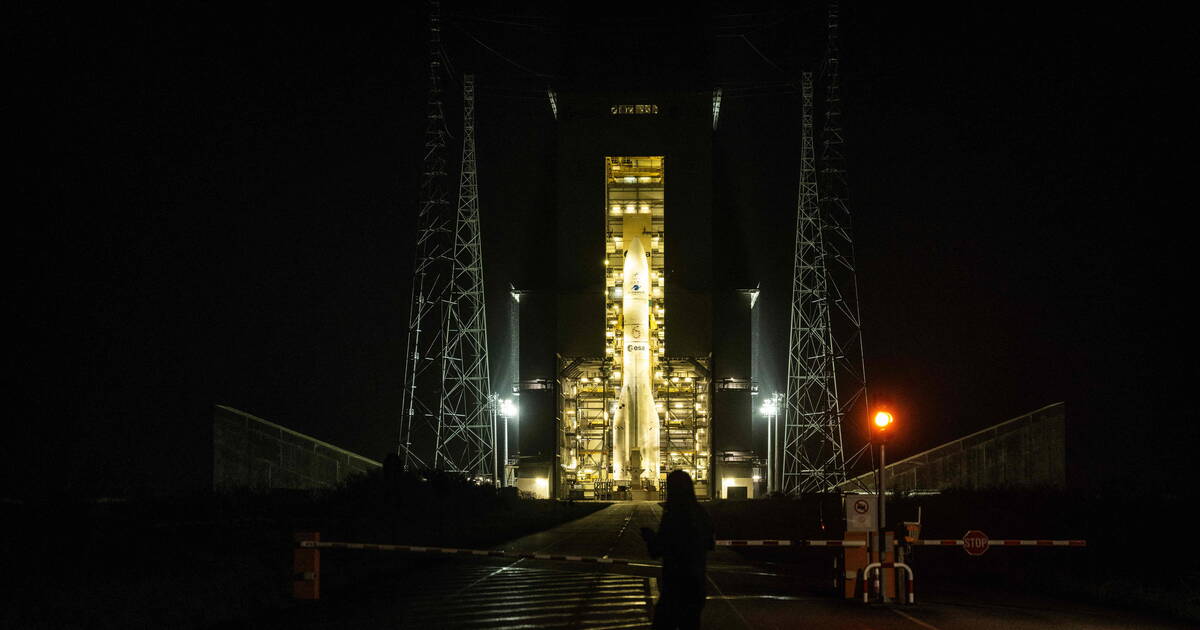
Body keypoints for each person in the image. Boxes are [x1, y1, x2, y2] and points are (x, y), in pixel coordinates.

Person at [640, 470, 713, 630]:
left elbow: (658, 549)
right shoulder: (700, 513)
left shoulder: (674, 515)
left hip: (675, 587)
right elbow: (710, 543)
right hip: (696, 586)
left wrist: (650, 537)